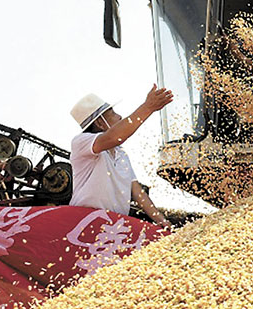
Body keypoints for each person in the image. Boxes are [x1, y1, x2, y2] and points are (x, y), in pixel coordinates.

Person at [69, 85, 174, 229]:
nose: (119, 117)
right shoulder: (81, 142)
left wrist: (162, 221)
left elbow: (137, 192)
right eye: (112, 114)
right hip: (85, 219)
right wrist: (147, 107)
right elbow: (115, 137)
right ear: (100, 123)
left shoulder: (121, 154)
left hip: (113, 224)